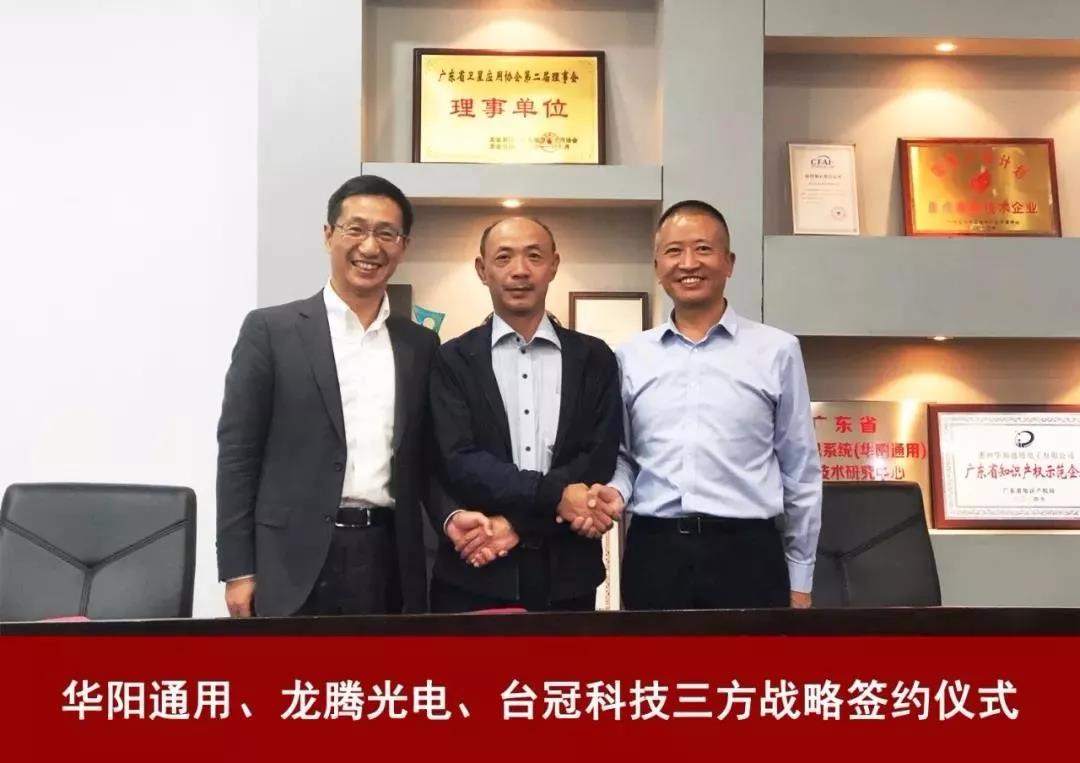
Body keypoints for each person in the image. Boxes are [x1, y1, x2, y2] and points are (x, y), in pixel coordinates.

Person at [216, 175, 440, 617]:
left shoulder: (419, 344)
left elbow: (427, 457)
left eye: (386, 233)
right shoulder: (271, 331)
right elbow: (238, 454)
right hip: (290, 560)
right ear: (328, 235)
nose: (370, 247)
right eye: (355, 229)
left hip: (389, 557)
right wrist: (238, 569)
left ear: (404, 245)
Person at [592, 200, 822, 609]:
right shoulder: (630, 356)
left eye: (703, 249)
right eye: (674, 251)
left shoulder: (777, 350)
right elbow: (625, 457)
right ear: (657, 266)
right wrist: (616, 492)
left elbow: (800, 469)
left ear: (729, 263)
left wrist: (801, 578)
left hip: (749, 553)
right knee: (655, 656)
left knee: (751, 657)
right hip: (655, 551)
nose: (688, 263)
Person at [427, 216, 622, 612]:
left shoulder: (595, 357)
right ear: (482, 269)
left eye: (534, 256)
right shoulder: (452, 359)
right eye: (503, 258)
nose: (520, 270)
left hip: (569, 576)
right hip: (476, 570)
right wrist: (556, 496)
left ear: (554, 265)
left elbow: (598, 457)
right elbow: (459, 461)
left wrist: (516, 525)